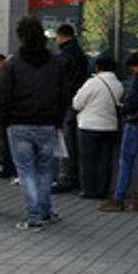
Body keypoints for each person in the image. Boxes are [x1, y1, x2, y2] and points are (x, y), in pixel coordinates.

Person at [0, 16, 69, 232]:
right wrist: (57, 119)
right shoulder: (56, 64)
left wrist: (5, 120)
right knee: (45, 170)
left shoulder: (13, 65)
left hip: (19, 125)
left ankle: (34, 216)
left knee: (26, 171)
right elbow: (64, 94)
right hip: (47, 124)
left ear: (21, 37)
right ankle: (45, 211)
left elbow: (2, 96)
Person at [99, 52, 138, 213]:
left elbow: (133, 101)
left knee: (126, 161)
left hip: (135, 124)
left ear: (137, 65)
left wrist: (124, 110)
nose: (132, 70)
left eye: (132, 67)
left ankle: (119, 199)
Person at [72, 56, 124, 200]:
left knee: (88, 160)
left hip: (89, 126)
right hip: (110, 127)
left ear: (98, 68)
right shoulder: (118, 84)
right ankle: (102, 190)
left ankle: (89, 190)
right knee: (105, 160)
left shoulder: (93, 83)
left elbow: (77, 103)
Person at [53, 24, 88, 194]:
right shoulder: (80, 54)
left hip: (65, 102)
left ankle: (65, 177)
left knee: (65, 142)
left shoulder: (64, 56)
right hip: (75, 101)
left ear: (60, 36)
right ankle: (71, 177)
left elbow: (58, 81)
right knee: (71, 140)